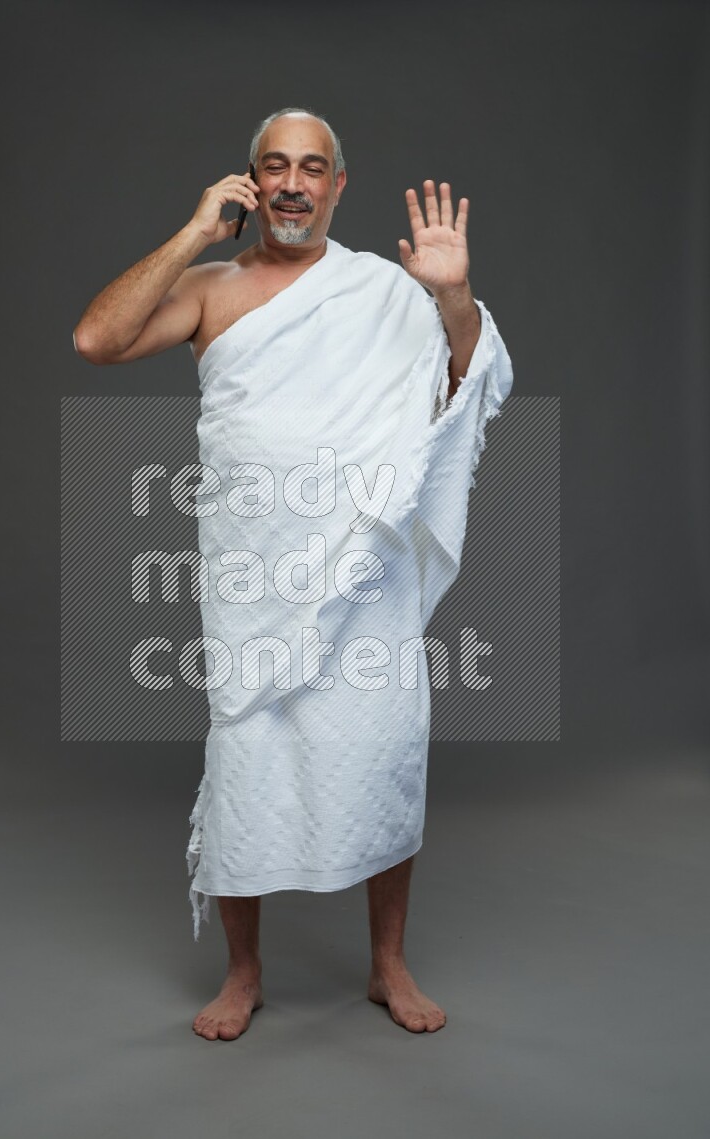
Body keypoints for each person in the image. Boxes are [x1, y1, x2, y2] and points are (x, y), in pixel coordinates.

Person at [73, 106, 513, 1041]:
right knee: (249, 760)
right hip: (253, 572)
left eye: (312, 168)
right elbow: (97, 341)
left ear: (337, 186)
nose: (292, 183)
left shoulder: (388, 293)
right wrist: (194, 230)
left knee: (384, 751)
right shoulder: (210, 288)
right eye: (274, 166)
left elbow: (464, 387)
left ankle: (388, 963)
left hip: (367, 572)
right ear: (248, 181)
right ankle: (243, 973)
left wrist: (453, 298)